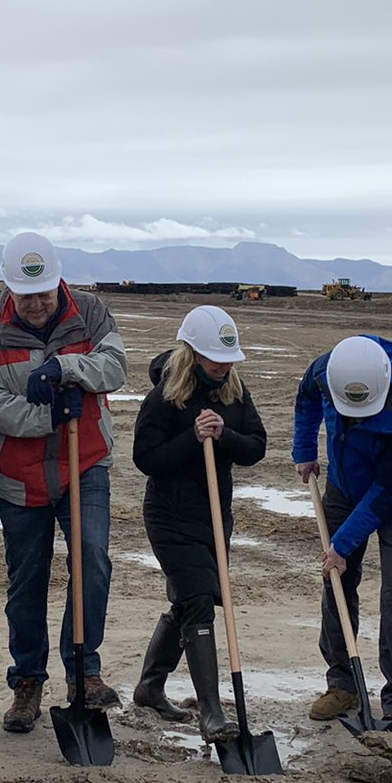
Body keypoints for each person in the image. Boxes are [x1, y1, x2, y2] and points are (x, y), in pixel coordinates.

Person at [0, 232, 129, 731]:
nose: (37, 305)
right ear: (8, 288)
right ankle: (28, 680)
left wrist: (67, 366)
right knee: (27, 582)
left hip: (86, 463)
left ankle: (84, 670)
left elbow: (115, 367)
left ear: (59, 280)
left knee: (93, 560)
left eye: (43, 293)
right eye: (25, 295)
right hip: (21, 479)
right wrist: (48, 417)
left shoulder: (91, 311)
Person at [130, 306, 267, 742]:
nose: (223, 366)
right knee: (198, 602)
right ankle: (212, 712)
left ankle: (150, 686)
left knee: (193, 600)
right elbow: (146, 459)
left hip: (213, 516)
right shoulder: (164, 398)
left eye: (228, 359)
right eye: (214, 359)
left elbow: (256, 447)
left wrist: (224, 434)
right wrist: (192, 437)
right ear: (191, 353)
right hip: (170, 517)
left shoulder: (234, 393)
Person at [292, 333, 392, 738]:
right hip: (343, 486)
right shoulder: (326, 370)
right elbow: (305, 397)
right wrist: (304, 447)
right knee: (336, 580)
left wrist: (342, 544)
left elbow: (387, 492)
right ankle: (343, 684)